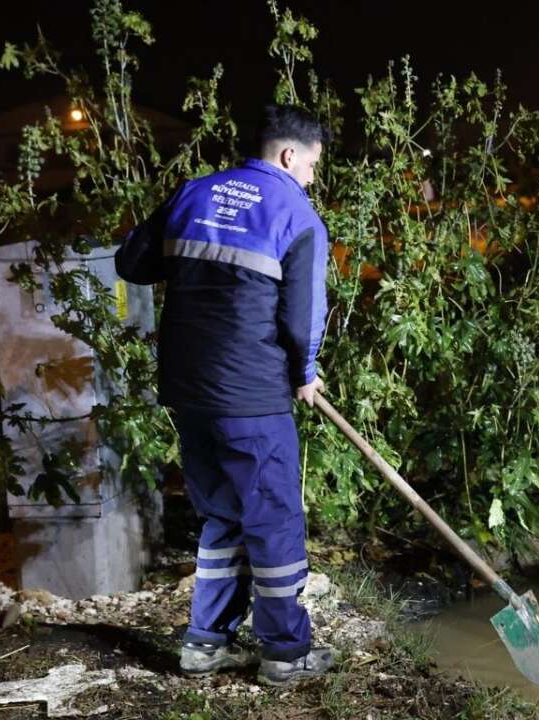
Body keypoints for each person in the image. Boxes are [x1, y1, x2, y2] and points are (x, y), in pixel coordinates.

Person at [116, 104, 334, 686]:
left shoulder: (194, 193)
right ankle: (286, 653)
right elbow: (302, 318)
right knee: (273, 519)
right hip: (253, 394)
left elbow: (132, 264)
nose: (312, 177)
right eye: (313, 164)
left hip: (188, 390)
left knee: (221, 518)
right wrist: (305, 372)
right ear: (290, 155)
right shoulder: (296, 212)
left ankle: (203, 646)